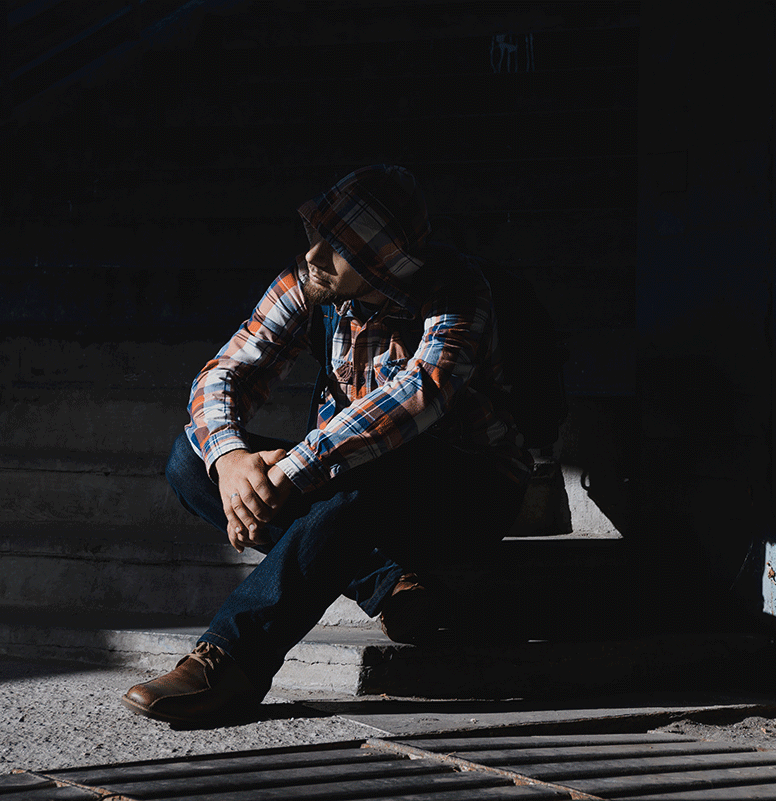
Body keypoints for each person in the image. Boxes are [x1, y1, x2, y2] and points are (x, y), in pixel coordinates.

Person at [122, 165, 532, 725]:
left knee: (355, 482)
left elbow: (415, 400)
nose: (314, 255)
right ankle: (386, 582)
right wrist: (234, 458)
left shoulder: (455, 293)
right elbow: (228, 372)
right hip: (354, 477)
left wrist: (289, 468)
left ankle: (235, 659)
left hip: (468, 487)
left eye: (338, 248)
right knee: (189, 462)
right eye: (317, 235)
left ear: (381, 264)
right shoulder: (313, 281)